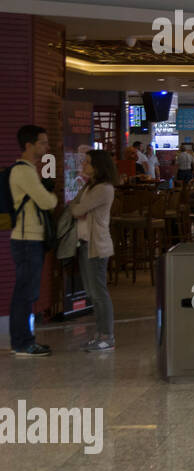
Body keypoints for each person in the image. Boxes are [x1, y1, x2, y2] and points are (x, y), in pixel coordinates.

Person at [8, 125, 57, 357]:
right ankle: (22, 343)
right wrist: (53, 196)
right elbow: (46, 202)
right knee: (25, 293)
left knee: (26, 292)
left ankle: (24, 341)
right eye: (42, 143)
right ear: (29, 145)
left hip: (29, 239)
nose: (46, 147)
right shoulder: (24, 172)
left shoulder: (29, 170)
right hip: (27, 240)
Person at [68, 149, 117, 352]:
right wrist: (77, 207)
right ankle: (100, 334)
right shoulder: (90, 187)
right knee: (91, 292)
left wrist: (78, 208)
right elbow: (75, 207)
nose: (84, 166)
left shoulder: (103, 189)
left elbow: (77, 209)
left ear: (98, 166)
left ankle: (107, 336)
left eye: (88, 163)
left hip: (97, 246)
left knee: (98, 293)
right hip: (85, 244)